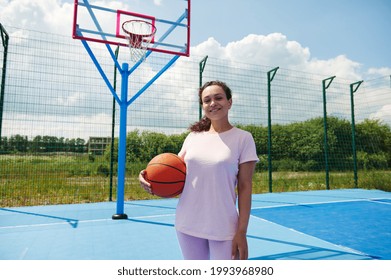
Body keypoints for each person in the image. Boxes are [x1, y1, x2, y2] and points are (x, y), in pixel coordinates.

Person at [139, 80, 259, 260]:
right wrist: (146, 175)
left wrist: (241, 231)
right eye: (207, 100)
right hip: (187, 222)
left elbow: (245, 187)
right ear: (202, 106)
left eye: (218, 98)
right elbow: (172, 169)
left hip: (223, 225)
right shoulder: (193, 137)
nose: (213, 103)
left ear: (229, 102)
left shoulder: (243, 138)